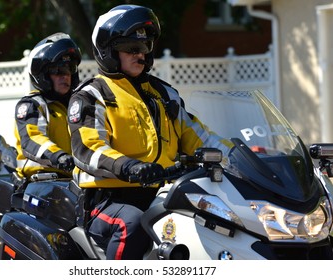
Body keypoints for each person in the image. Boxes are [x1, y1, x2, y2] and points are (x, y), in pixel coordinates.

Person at [67, 5, 234, 260]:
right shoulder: (93, 95)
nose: (141, 55)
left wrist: (241, 156)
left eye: (145, 48)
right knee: (133, 224)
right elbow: (87, 148)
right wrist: (129, 166)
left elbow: (199, 136)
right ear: (108, 50)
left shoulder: (164, 93)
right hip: (108, 200)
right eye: (132, 49)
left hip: (163, 193)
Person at [14, 33, 81, 181]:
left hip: (74, 180)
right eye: (58, 71)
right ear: (42, 74)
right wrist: (59, 156)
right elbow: (32, 139)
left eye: (70, 69)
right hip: (39, 182)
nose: (65, 76)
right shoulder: (32, 105)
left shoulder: (77, 104)